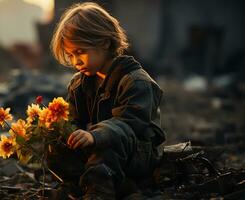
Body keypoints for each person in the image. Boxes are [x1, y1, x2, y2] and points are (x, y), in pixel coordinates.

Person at [49, 2, 166, 199]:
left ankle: (99, 191)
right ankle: (83, 184)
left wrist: (96, 135)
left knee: (108, 141)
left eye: (80, 52)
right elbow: (74, 120)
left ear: (104, 42)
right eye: (70, 55)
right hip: (101, 152)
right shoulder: (79, 84)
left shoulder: (136, 82)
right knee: (57, 144)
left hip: (137, 153)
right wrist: (60, 130)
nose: (76, 61)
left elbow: (130, 124)